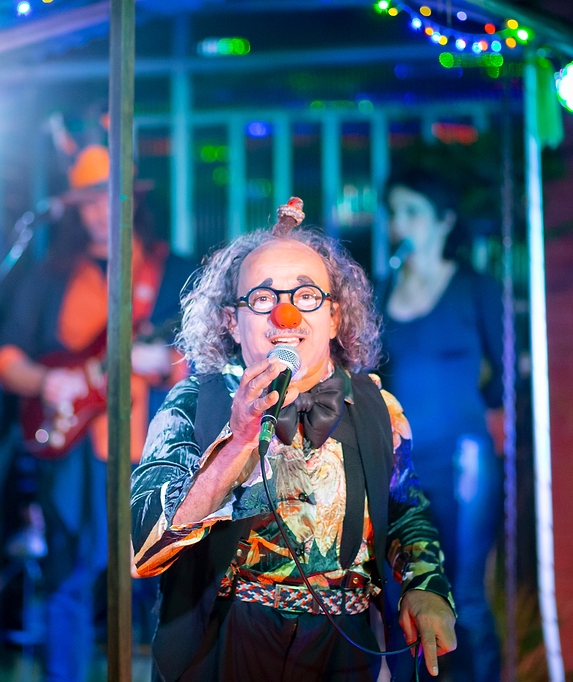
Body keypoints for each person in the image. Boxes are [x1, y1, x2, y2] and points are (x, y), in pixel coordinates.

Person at [130, 198, 456, 682]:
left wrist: (425, 584)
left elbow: (406, 510)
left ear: (335, 316)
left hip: (345, 646)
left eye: (306, 296)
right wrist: (237, 442)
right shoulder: (192, 403)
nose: (286, 316)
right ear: (231, 321)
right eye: (262, 299)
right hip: (226, 640)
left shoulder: (378, 407)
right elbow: (145, 548)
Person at [0, 143, 192, 682]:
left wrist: (167, 362)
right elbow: (4, 356)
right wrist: (45, 380)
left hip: (159, 448)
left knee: (165, 578)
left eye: (109, 198)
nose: (100, 212)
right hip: (77, 453)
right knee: (70, 576)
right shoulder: (49, 275)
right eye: (88, 202)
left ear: (133, 200)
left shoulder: (172, 270)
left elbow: (211, 354)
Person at [379, 168, 507, 682]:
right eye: (394, 213)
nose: (401, 224)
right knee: (401, 590)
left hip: (462, 461)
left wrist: (476, 413)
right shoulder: (384, 289)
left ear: (444, 220)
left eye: (413, 211)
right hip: (402, 466)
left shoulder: (474, 287)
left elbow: (507, 372)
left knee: (464, 592)